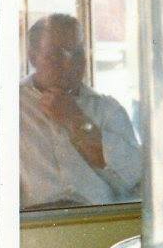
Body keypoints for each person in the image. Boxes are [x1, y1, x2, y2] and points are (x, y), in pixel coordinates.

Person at [20, 14, 141, 210]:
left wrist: (77, 120)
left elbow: (135, 179)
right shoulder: (10, 108)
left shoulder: (108, 110)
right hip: (35, 224)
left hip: (98, 221)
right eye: (57, 54)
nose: (70, 63)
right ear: (33, 57)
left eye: (77, 53)